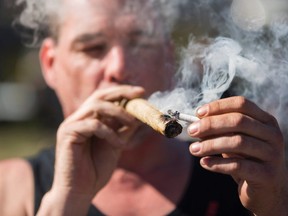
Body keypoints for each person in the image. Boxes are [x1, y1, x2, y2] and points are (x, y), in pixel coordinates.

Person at [0, 0, 287, 215]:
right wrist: (66, 201)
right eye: (92, 48)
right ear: (50, 64)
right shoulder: (10, 189)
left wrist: (275, 205)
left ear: (167, 59)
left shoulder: (241, 178)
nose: (120, 68)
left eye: (140, 43)